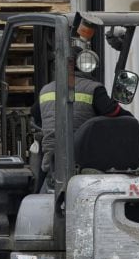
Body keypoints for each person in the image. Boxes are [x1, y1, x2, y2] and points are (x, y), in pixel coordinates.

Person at [31, 43, 130, 189]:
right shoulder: (93, 89)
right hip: (86, 164)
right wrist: (130, 119)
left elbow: (36, 116)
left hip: (52, 165)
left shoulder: (45, 90)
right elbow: (114, 113)